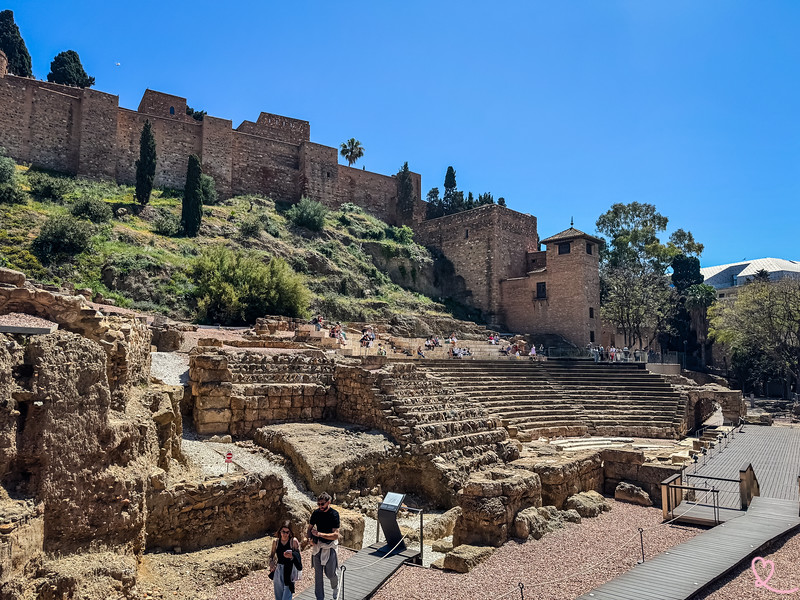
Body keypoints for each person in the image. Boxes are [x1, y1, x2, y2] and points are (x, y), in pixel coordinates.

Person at [308, 492, 340, 600]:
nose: (320, 506)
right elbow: (309, 528)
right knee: (318, 576)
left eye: (322, 504)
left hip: (329, 546)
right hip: (318, 546)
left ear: (328, 502)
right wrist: (310, 539)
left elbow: (336, 535)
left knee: (330, 573)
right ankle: (319, 598)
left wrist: (320, 534)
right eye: (319, 504)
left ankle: (335, 586)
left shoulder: (334, 514)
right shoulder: (316, 513)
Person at [270, 520, 302, 600]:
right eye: (283, 531)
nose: (284, 534)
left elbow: (298, 557)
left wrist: (292, 555)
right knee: (278, 596)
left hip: (289, 570)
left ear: (290, 533)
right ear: (280, 531)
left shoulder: (293, 541)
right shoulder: (276, 542)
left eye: (287, 532)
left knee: (286, 597)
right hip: (278, 571)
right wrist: (271, 562)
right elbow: (271, 555)